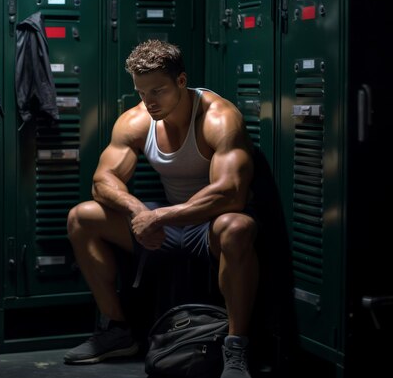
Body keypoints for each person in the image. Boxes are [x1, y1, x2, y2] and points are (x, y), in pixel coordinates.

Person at [64, 39, 259, 378]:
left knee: (238, 226)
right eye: (142, 92)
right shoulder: (136, 120)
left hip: (206, 225)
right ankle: (118, 330)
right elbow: (102, 181)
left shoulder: (219, 118)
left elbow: (231, 194)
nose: (149, 102)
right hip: (165, 221)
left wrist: (158, 216)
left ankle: (236, 346)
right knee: (82, 217)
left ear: (181, 82)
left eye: (158, 91)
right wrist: (140, 212)